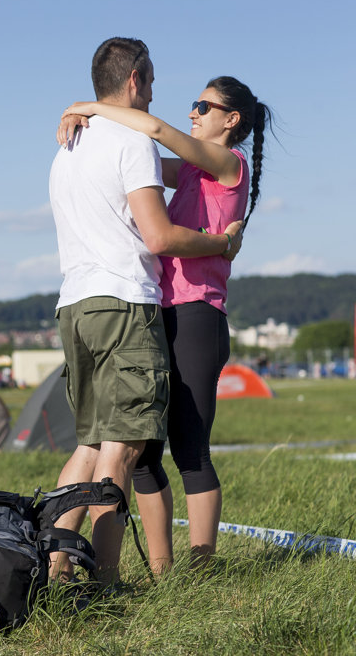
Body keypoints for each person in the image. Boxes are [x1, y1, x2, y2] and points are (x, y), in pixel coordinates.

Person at [47, 37, 243, 583]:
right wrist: (220, 242)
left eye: (202, 107)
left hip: (109, 307)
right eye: (154, 85)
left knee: (126, 447)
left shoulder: (72, 146)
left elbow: (157, 136)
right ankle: (120, 579)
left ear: (232, 120)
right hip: (132, 305)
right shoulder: (129, 143)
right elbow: (157, 224)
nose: (186, 109)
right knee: (129, 451)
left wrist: (84, 107)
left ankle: (60, 565)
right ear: (136, 80)